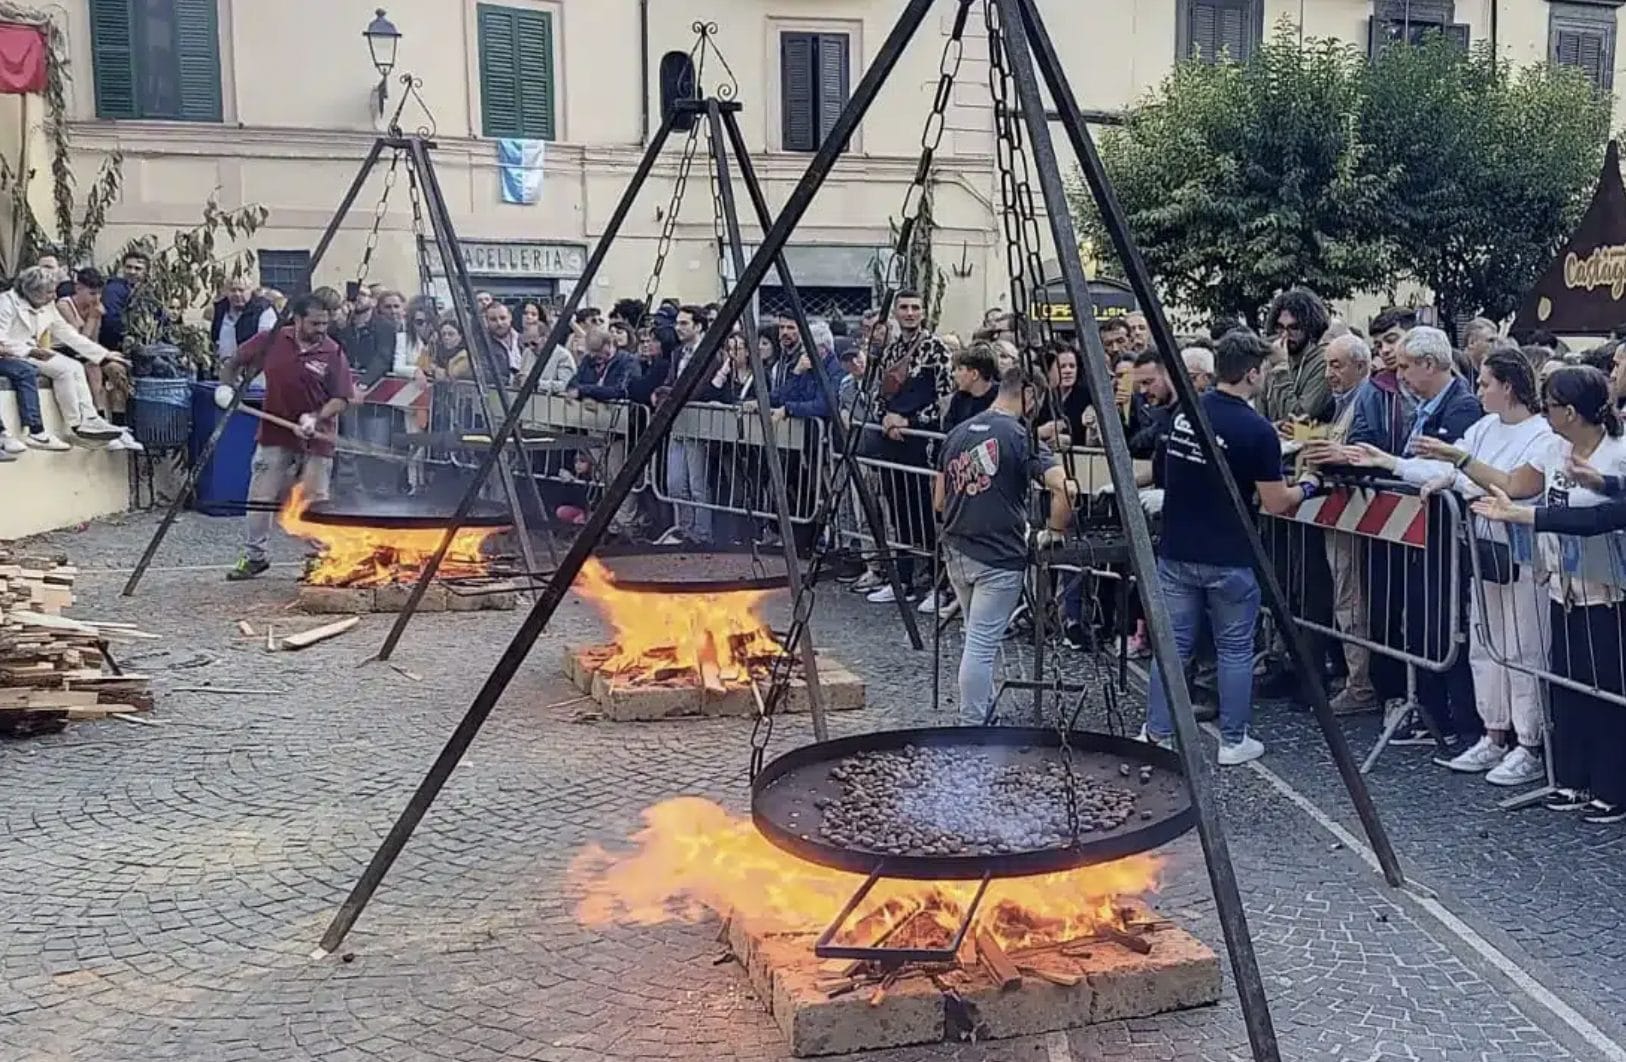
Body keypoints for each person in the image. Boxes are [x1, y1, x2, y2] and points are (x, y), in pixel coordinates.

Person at [1346, 349, 1554, 782]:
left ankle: (1528, 741)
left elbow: (1509, 482)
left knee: (1521, 645)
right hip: (1481, 547)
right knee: (1484, 642)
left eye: (1485, 383)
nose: (1478, 390)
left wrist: (1457, 471)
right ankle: (1494, 733)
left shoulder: (1542, 435)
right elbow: (1447, 464)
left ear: (1508, 388)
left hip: (1521, 549)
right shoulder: (1482, 428)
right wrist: (1393, 463)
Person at [1141, 329, 1321, 765]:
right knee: (1235, 649)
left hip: (1178, 549)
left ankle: (1156, 733)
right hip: (1229, 555)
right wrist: (1311, 485)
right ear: (1253, 373)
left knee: (1172, 645)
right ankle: (1233, 740)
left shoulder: (1187, 414)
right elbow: (1277, 501)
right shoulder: (1256, 430)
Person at [1468, 365, 1626, 823]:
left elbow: (1608, 517)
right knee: (1568, 682)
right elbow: (1520, 484)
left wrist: (1526, 518)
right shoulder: (1557, 449)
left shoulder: (1619, 450)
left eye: (1551, 405)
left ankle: (1611, 787)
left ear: (1571, 411)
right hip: (1565, 585)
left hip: (1609, 592)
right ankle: (1573, 777)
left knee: (1606, 689)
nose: (1545, 412)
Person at [935, 365, 1075, 724]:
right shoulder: (1019, 437)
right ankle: (972, 722)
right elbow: (1065, 489)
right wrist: (1055, 531)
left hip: (956, 548)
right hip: (998, 555)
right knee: (982, 642)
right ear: (1029, 394)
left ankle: (978, 708)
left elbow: (939, 500)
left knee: (976, 637)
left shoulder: (958, 432)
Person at [217, 294, 355, 580]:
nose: (321, 329)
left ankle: (318, 558)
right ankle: (255, 556)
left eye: (325, 324)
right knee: (259, 496)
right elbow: (233, 362)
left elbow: (342, 398)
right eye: (315, 323)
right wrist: (226, 388)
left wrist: (315, 417)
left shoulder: (333, 351)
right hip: (274, 434)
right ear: (297, 319)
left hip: (318, 437)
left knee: (315, 500)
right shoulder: (271, 340)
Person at [867, 289, 952, 603]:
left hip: (923, 446)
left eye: (915, 307)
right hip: (893, 445)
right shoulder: (889, 352)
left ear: (923, 312)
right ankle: (902, 580)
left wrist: (911, 423)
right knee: (899, 514)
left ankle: (935, 585)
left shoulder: (937, 350)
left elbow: (945, 400)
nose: (909, 313)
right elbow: (878, 396)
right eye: (904, 307)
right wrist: (888, 419)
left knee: (926, 515)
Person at [0, 266, 138, 450]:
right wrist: (29, 351)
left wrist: (103, 355)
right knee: (63, 369)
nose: (53, 296)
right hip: (13, 353)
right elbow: (1, 340)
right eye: (49, 292)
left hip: (32, 349)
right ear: (32, 292)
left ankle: (88, 419)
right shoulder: (6, 303)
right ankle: (75, 424)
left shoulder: (46, 305)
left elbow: (67, 333)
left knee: (74, 367)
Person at [657, 305, 718, 545]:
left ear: (698, 326)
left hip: (698, 423)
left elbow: (699, 388)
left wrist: (669, 394)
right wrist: (663, 392)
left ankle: (702, 534)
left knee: (697, 484)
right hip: (678, 422)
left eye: (684, 323)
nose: (678, 328)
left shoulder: (710, 353)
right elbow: (671, 381)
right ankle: (685, 529)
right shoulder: (678, 353)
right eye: (678, 323)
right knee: (674, 483)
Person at [55, 268, 129, 420]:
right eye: (92, 293)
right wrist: (93, 318)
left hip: (89, 351)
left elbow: (93, 341)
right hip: (66, 350)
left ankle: (119, 421)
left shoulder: (94, 306)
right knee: (93, 367)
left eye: (99, 293)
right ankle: (98, 415)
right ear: (78, 289)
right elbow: (78, 340)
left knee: (118, 370)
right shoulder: (64, 305)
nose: (96, 298)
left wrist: (96, 318)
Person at [1261, 288, 1334, 425]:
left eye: (1294, 328)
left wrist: (1280, 369)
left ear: (1310, 328)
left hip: (1308, 442)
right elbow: (1261, 413)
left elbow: (1298, 419)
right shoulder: (1274, 358)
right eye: (1280, 327)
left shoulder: (1323, 361)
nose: (1285, 335)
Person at [211, 277, 277, 366]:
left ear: (250, 290)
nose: (237, 294)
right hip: (225, 368)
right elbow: (214, 338)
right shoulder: (220, 310)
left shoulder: (263, 310)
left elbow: (266, 343)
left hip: (253, 370)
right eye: (233, 290)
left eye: (241, 290)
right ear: (226, 291)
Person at [97, 250, 149, 353]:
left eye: (137, 268)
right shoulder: (114, 289)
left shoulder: (149, 291)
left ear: (146, 271)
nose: (132, 271)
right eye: (128, 267)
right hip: (118, 345)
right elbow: (112, 320)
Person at [566, 327, 637, 402]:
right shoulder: (588, 359)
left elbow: (619, 390)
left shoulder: (627, 360)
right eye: (591, 351)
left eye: (597, 350)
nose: (593, 355)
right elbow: (572, 384)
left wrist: (584, 391)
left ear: (609, 345)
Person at [943, 342, 999, 432]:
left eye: (960, 369)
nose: (954, 374)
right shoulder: (959, 399)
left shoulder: (1000, 397)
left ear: (974, 374)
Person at [482, 300, 523, 382]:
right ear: (486, 321)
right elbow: (484, 374)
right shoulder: (481, 345)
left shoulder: (523, 339)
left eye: (503, 318)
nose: (499, 323)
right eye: (493, 320)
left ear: (510, 317)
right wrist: (511, 380)